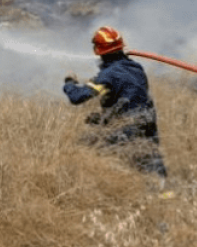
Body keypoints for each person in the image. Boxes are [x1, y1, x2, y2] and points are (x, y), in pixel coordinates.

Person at [63, 26, 168, 178]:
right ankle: (164, 195)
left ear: (97, 51)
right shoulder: (136, 68)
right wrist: (103, 119)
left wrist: (69, 83)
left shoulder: (108, 76)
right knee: (152, 164)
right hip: (148, 121)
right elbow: (129, 98)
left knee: (91, 152)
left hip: (127, 128)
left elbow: (77, 98)